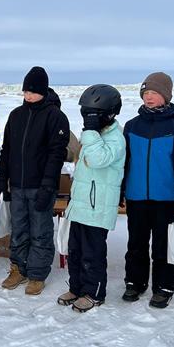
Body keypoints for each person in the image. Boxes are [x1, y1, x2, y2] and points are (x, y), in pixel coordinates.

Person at [121, 72, 174, 308]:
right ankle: (135, 282)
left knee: (164, 245)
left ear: (166, 96)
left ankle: (164, 286)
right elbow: (124, 162)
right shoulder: (132, 126)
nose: (149, 97)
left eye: (154, 93)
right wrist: (121, 189)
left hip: (165, 198)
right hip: (136, 196)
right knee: (136, 244)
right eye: (146, 93)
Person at [0, 66, 70, 295]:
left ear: (43, 91)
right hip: (17, 185)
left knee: (40, 231)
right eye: (26, 91)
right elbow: (7, 150)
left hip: (40, 186)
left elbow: (56, 155)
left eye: (33, 91)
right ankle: (18, 268)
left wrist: (48, 186)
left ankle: (37, 274)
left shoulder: (55, 116)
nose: (28, 95)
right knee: (18, 229)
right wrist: (2, 179)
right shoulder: (16, 115)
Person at [58, 84, 126, 312]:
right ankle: (76, 287)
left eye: (92, 114)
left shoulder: (116, 139)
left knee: (92, 254)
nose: (88, 119)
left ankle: (93, 293)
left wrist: (90, 132)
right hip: (81, 204)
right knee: (75, 251)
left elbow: (98, 160)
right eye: (85, 113)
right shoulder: (95, 135)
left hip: (98, 207)